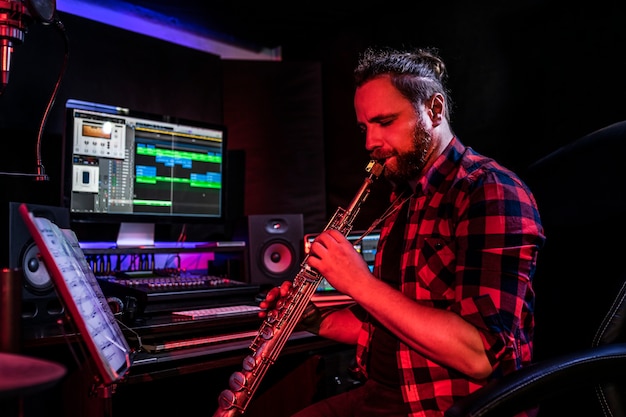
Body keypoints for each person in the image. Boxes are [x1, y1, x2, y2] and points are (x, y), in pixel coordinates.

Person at [260, 46, 545, 417]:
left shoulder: (489, 191)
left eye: (385, 121)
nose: (369, 143)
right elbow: (389, 329)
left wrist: (358, 282)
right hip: (388, 393)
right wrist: (316, 320)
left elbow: (479, 355)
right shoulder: (404, 199)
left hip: (452, 407)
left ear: (435, 110)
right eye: (365, 127)